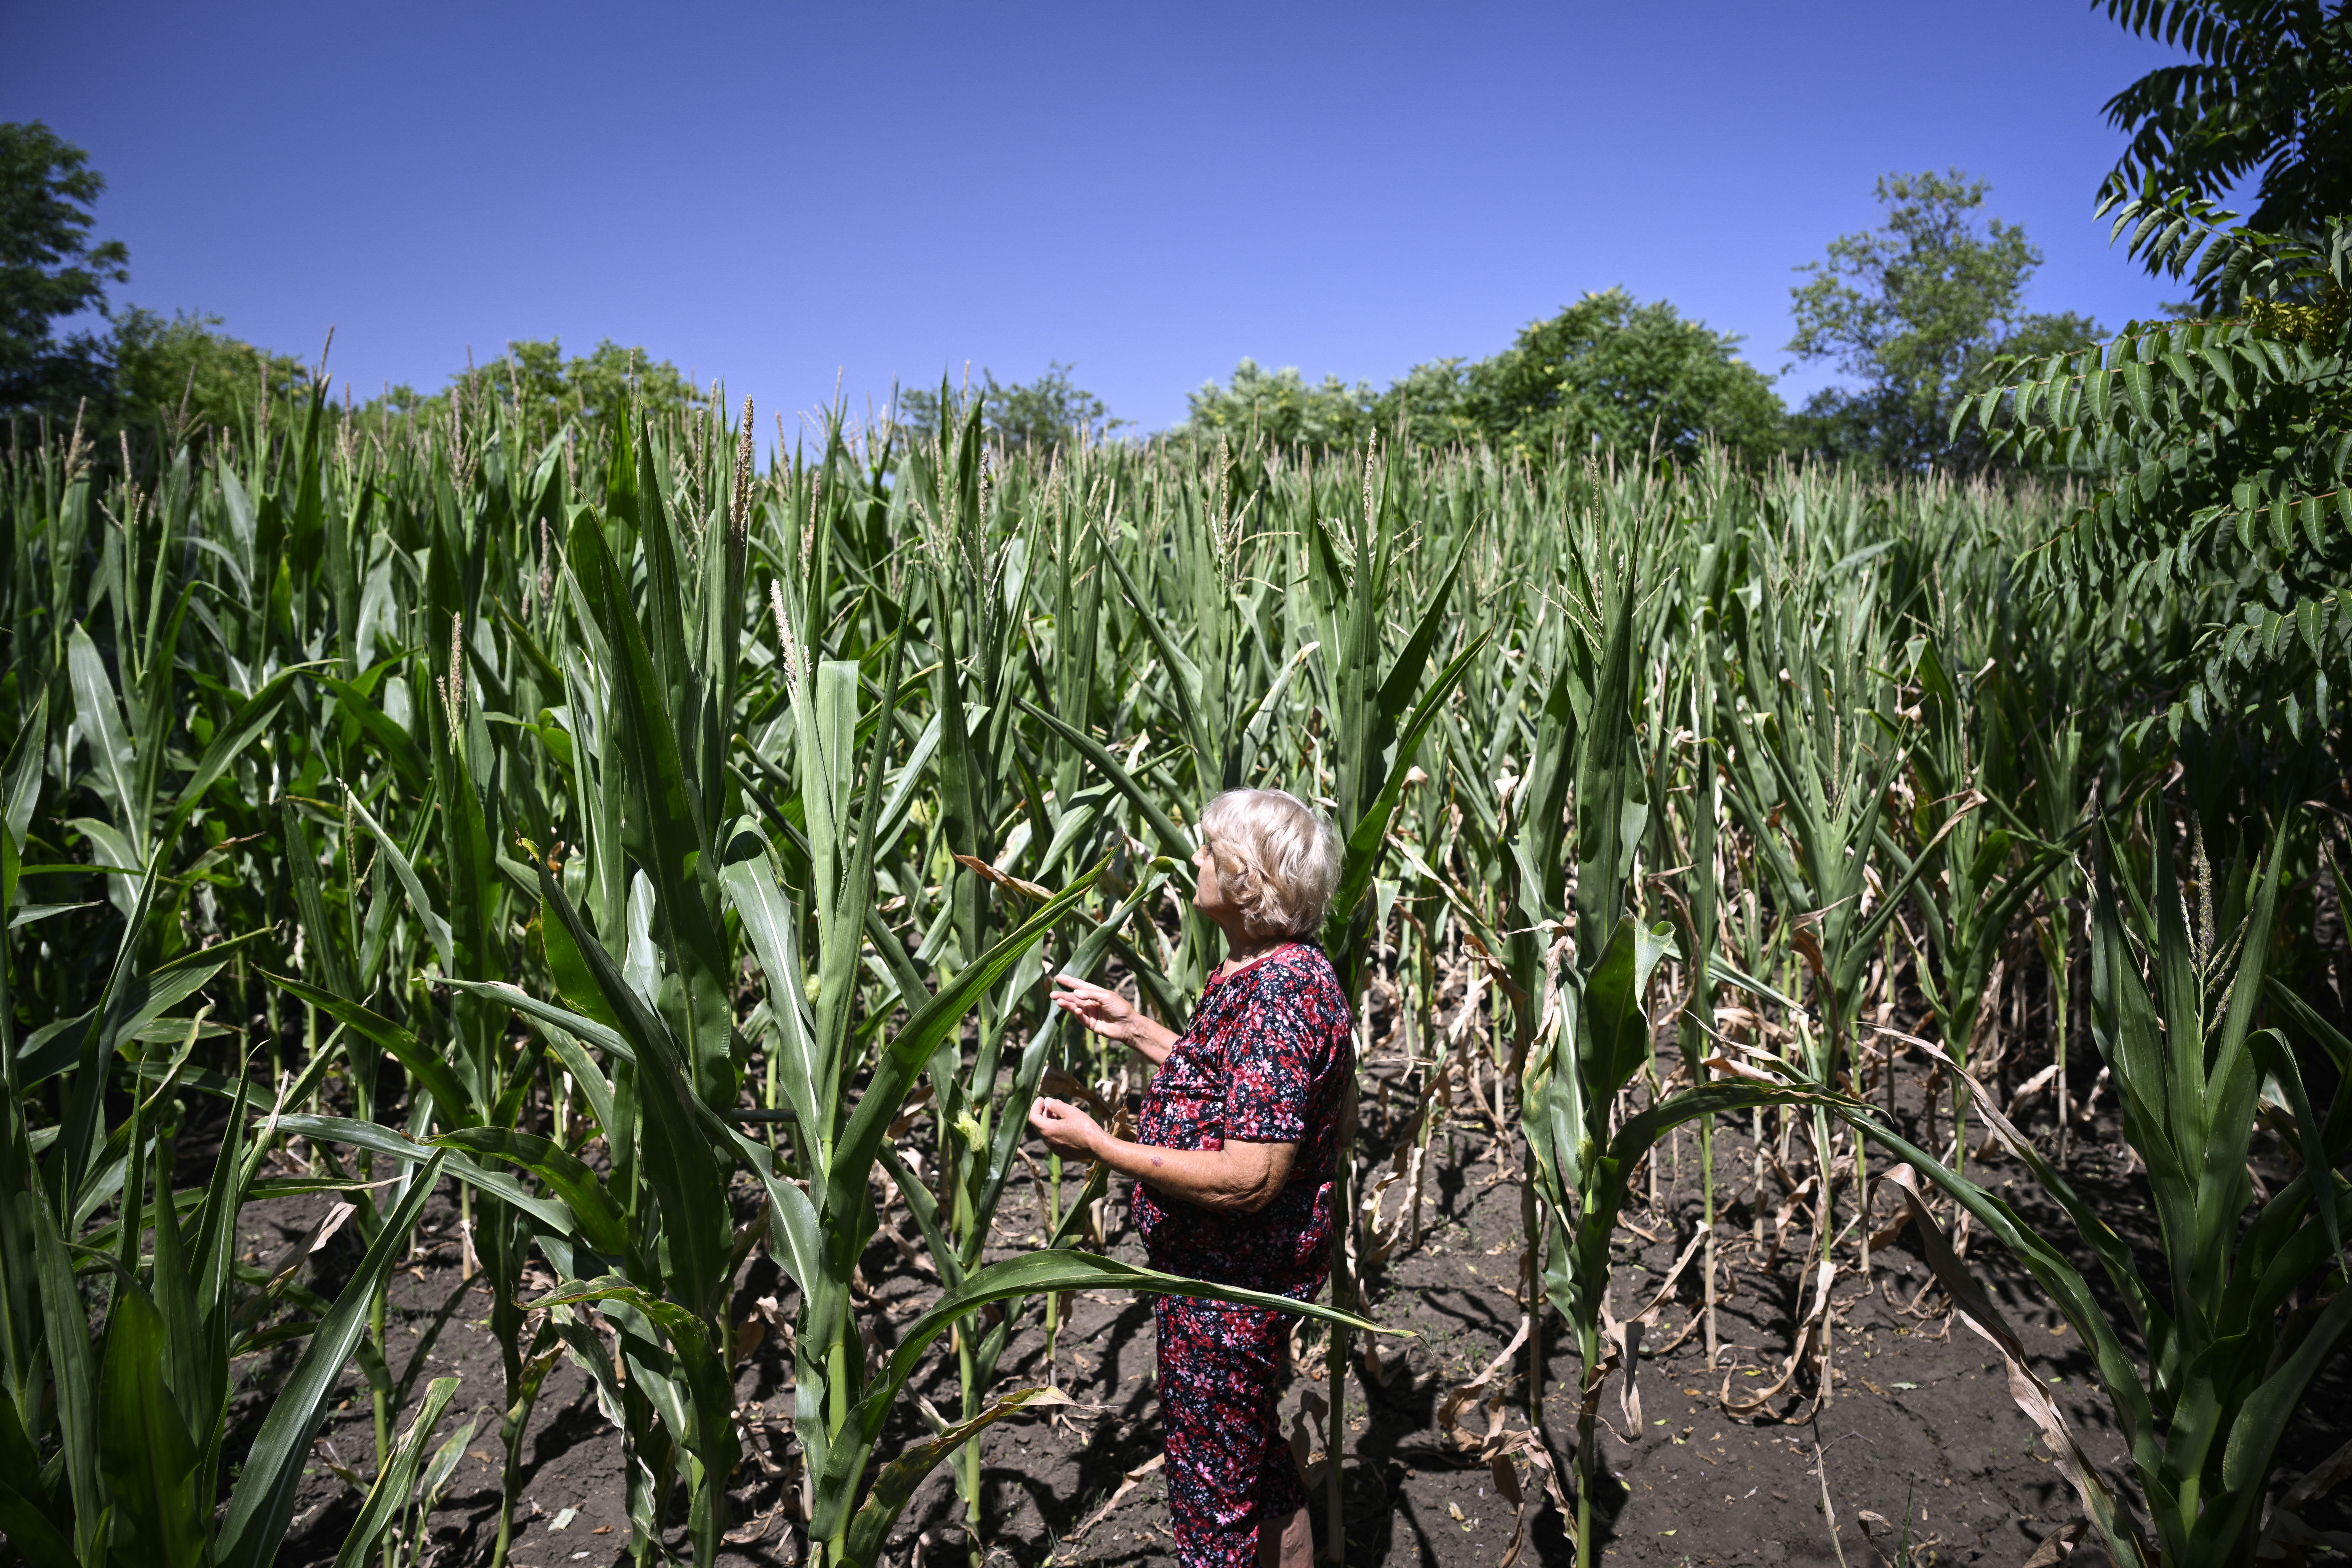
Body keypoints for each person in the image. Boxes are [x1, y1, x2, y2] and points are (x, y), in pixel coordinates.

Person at [1028, 788, 1353, 1568]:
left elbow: (1249, 1175)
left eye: (1209, 852)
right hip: (1223, 1277)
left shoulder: (1278, 998)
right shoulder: (1277, 971)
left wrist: (1105, 1147)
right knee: (1256, 1460)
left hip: (1230, 1286)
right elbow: (1236, 1085)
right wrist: (1134, 1025)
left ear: (1246, 880)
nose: (1196, 862)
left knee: (1215, 1500)